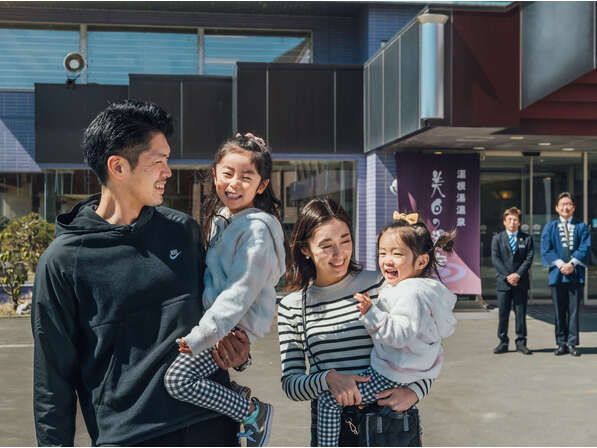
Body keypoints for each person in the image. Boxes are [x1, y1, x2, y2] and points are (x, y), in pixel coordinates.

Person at [31, 100, 250, 446]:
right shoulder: (62, 261)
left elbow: (218, 314)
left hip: (212, 426)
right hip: (130, 438)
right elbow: (52, 380)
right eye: (158, 162)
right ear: (118, 166)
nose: (168, 172)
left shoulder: (184, 232)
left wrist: (239, 355)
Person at [278, 199, 435, 447]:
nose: (339, 254)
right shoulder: (292, 306)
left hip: (389, 425)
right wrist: (327, 379)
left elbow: (425, 346)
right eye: (326, 246)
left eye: (345, 241)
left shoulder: (382, 285)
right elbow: (291, 384)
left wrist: (415, 391)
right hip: (333, 430)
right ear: (305, 249)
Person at [164, 135, 286, 447]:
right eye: (228, 173)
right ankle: (235, 395)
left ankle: (252, 412)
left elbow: (239, 291)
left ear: (262, 185)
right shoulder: (224, 218)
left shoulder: (256, 230)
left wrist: (203, 334)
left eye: (246, 177)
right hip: (220, 323)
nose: (234, 183)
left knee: (178, 380)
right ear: (215, 174)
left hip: (231, 326)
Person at [315, 212, 457, 446]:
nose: (387, 260)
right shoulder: (410, 288)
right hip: (400, 373)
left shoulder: (409, 292)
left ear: (421, 262)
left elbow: (400, 335)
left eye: (397, 254)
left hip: (390, 373)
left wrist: (371, 313)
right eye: (382, 253)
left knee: (329, 401)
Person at [541, 192, 591, 357]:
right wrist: (561, 264)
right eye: (562, 204)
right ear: (556, 207)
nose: (565, 207)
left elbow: (585, 247)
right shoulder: (550, 227)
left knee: (574, 311)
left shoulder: (581, 226)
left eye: (569, 204)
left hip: (575, 274)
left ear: (573, 207)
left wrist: (572, 264)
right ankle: (561, 343)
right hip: (557, 274)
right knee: (559, 311)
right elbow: (546, 249)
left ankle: (572, 343)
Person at [491, 207, 534, 355]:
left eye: (515, 219)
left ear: (519, 222)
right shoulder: (497, 238)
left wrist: (517, 275)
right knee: (503, 313)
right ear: (504, 221)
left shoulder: (527, 238)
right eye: (509, 219)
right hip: (503, 282)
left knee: (520, 313)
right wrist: (508, 276)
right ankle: (503, 342)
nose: (512, 222)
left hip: (520, 282)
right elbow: (496, 259)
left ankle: (521, 342)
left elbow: (529, 258)